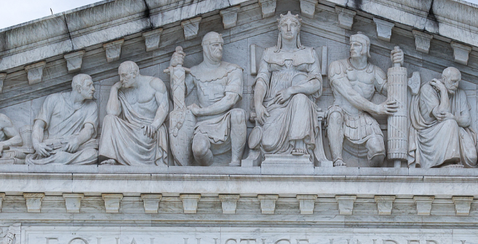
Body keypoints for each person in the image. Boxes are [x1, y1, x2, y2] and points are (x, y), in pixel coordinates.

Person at [248, 12, 322, 160]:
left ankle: (299, 144)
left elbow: (316, 84)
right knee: (268, 144)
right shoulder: (269, 53)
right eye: (284, 25)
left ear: (298, 29)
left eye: (293, 25)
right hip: (274, 105)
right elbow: (262, 80)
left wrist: (291, 91)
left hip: (302, 107)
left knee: (300, 98)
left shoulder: (310, 53)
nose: (288, 28)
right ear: (279, 29)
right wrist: (258, 105)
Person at [167, 33, 246, 166]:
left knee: (238, 114)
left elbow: (230, 100)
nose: (220, 48)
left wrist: (201, 112)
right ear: (205, 48)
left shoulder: (232, 69)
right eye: (215, 45)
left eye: (221, 45)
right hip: (204, 124)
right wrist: (175, 68)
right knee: (198, 149)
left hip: (226, 119)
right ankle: (208, 172)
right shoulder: (195, 71)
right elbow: (177, 97)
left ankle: (235, 161)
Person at [326, 33, 399, 167]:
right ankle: (337, 159)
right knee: (334, 115)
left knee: (378, 151)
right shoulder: (337, 66)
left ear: (366, 48)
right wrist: (377, 108)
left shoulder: (374, 72)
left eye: (357, 45)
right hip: (341, 114)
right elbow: (349, 93)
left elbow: (393, 91)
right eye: (351, 44)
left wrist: (397, 65)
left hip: (362, 117)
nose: (352, 48)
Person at [98, 61, 169, 166]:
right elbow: (112, 112)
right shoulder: (123, 90)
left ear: (134, 73)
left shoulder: (154, 83)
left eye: (124, 75)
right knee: (109, 119)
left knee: (149, 132)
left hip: (148, 131)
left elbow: (164, 106)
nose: (121, 80)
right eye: (120, 76)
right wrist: (114, 89)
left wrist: (154, 125)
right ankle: (111, 157)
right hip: (129, 130)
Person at [408, 67, 478, 168]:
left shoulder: (460, 93)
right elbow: (442, 114)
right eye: (453, 81)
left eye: (458, 82)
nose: (456, 85)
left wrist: (454, 117)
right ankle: (449, 161)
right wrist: (443, 91)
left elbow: (467, 120)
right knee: (450, 123)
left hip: (453, 130)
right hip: (429, 133)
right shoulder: (427, 89)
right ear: (443, 79)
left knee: (472, 157)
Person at [26, 73, 99, 166]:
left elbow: (89, 129)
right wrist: (37, 145)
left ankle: (57, 161)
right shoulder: (53, 99)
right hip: (53, 148)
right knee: (59, 156)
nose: (93, 89)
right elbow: (39, 126)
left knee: (93, 154)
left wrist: (77, 141)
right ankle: (58, 160)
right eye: (89, 85)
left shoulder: (91, 106)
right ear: (79, 88)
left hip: (76, 148)